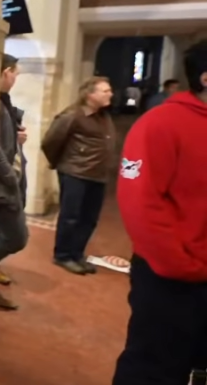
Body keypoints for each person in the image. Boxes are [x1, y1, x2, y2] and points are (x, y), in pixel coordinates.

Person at [111, 41, 207, 385]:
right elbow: (141, 205)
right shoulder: (161, 123)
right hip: (173, 277)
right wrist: (184, 266)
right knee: (155, 366)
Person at [40, 76, 116, 275]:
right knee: (70, 217)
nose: (110, 94)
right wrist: (63, 165)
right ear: (90, 94)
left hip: (97, 175)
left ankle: (77, 253)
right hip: (76, 173)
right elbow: (50, 142)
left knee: (89, 218)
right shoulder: (72, 115)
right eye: (105, 91)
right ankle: (63, 255)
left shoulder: (103, 116)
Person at [0, 54, 29, 310]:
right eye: (15, 73)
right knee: (17, 237)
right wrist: (10, 177)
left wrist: (17, 138)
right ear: (4, 72)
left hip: (4, 184)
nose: (15, 79)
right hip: (0, 187)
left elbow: (4, 139)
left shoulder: (3, 101)